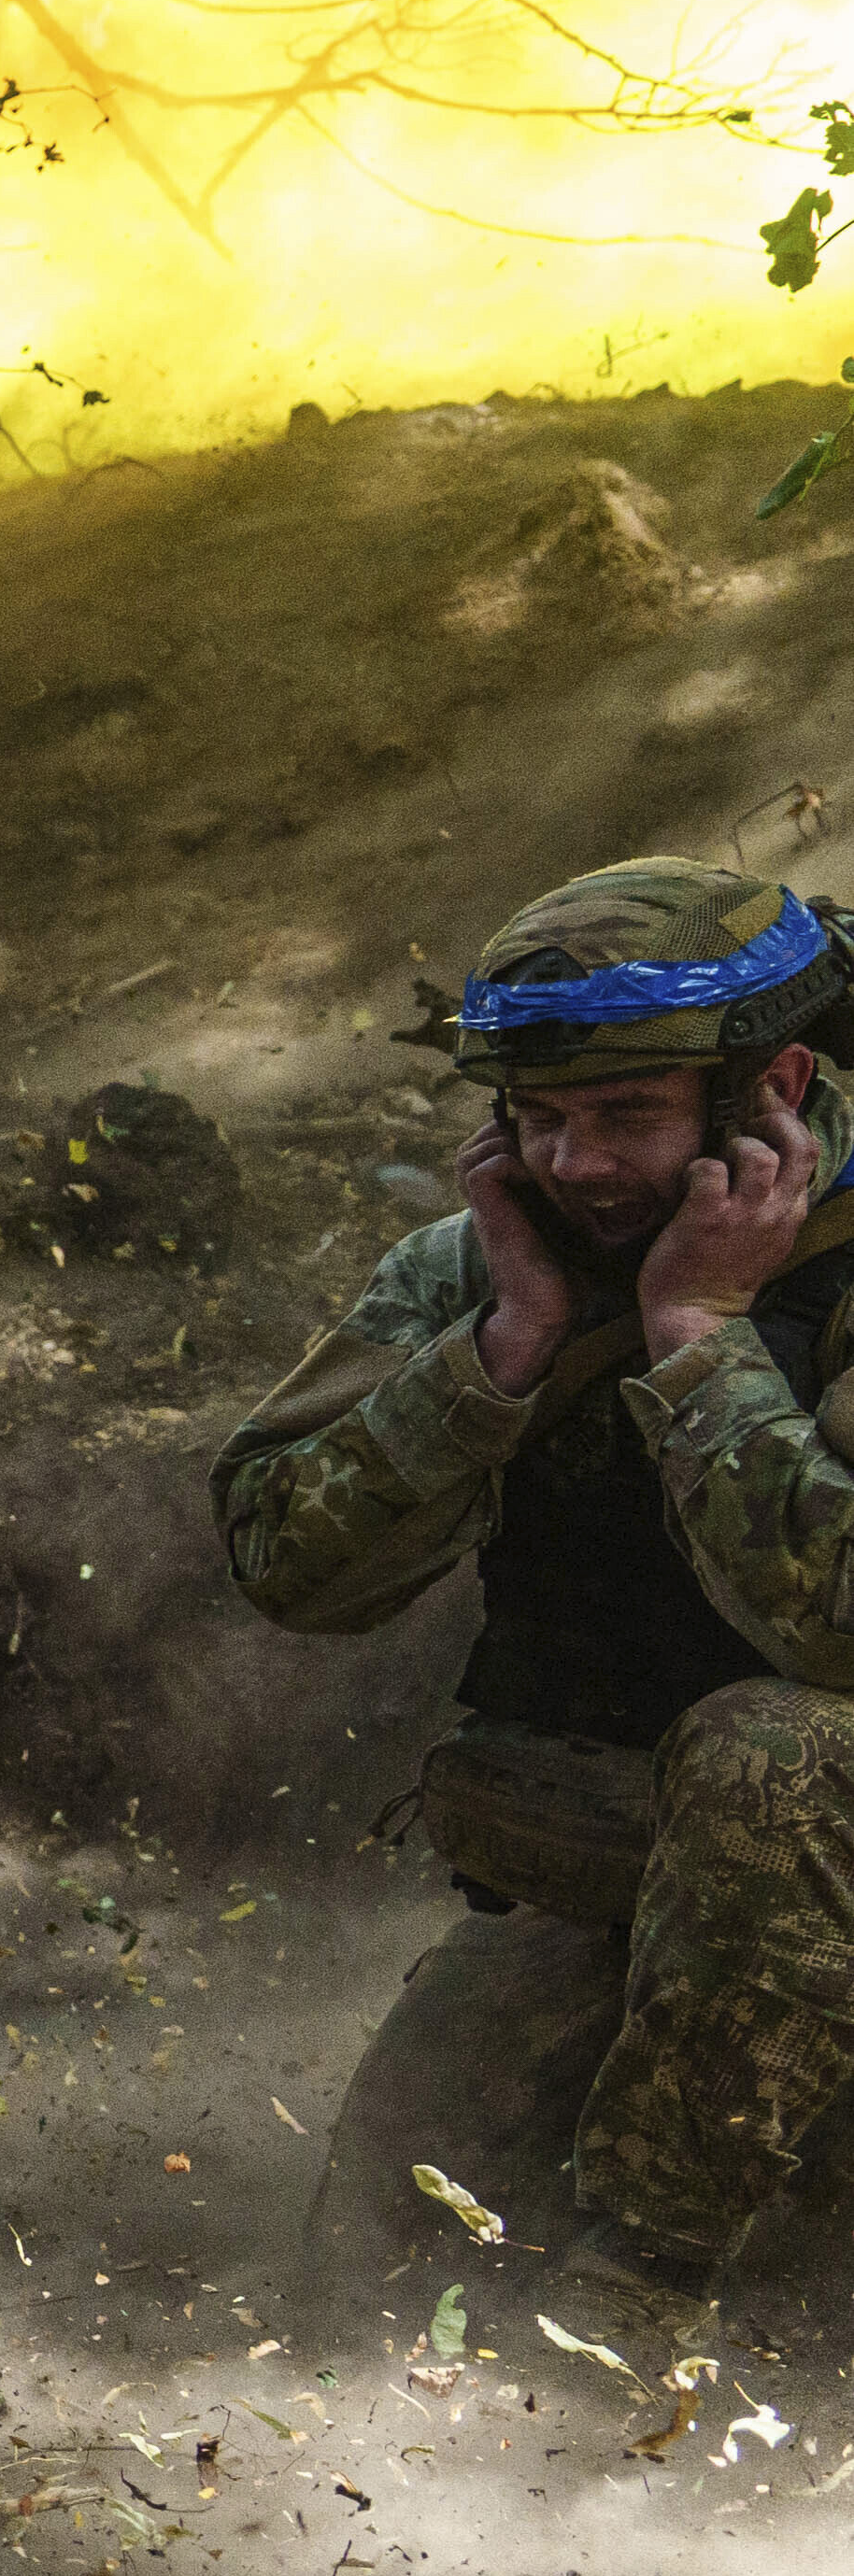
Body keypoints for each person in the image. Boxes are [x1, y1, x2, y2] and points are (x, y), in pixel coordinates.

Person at [217, 851, 854, 2325]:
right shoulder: (489, 1266)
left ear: (771, 1089)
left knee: (776, 1747)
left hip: (808, 1844)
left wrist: (698, 1336)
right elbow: (282, 1563)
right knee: (366, 2284)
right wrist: (497, 1356)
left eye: (626, 1115)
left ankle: (636, 2302)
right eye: (538, 1118)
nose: (574, 1165)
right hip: (636, 1893)